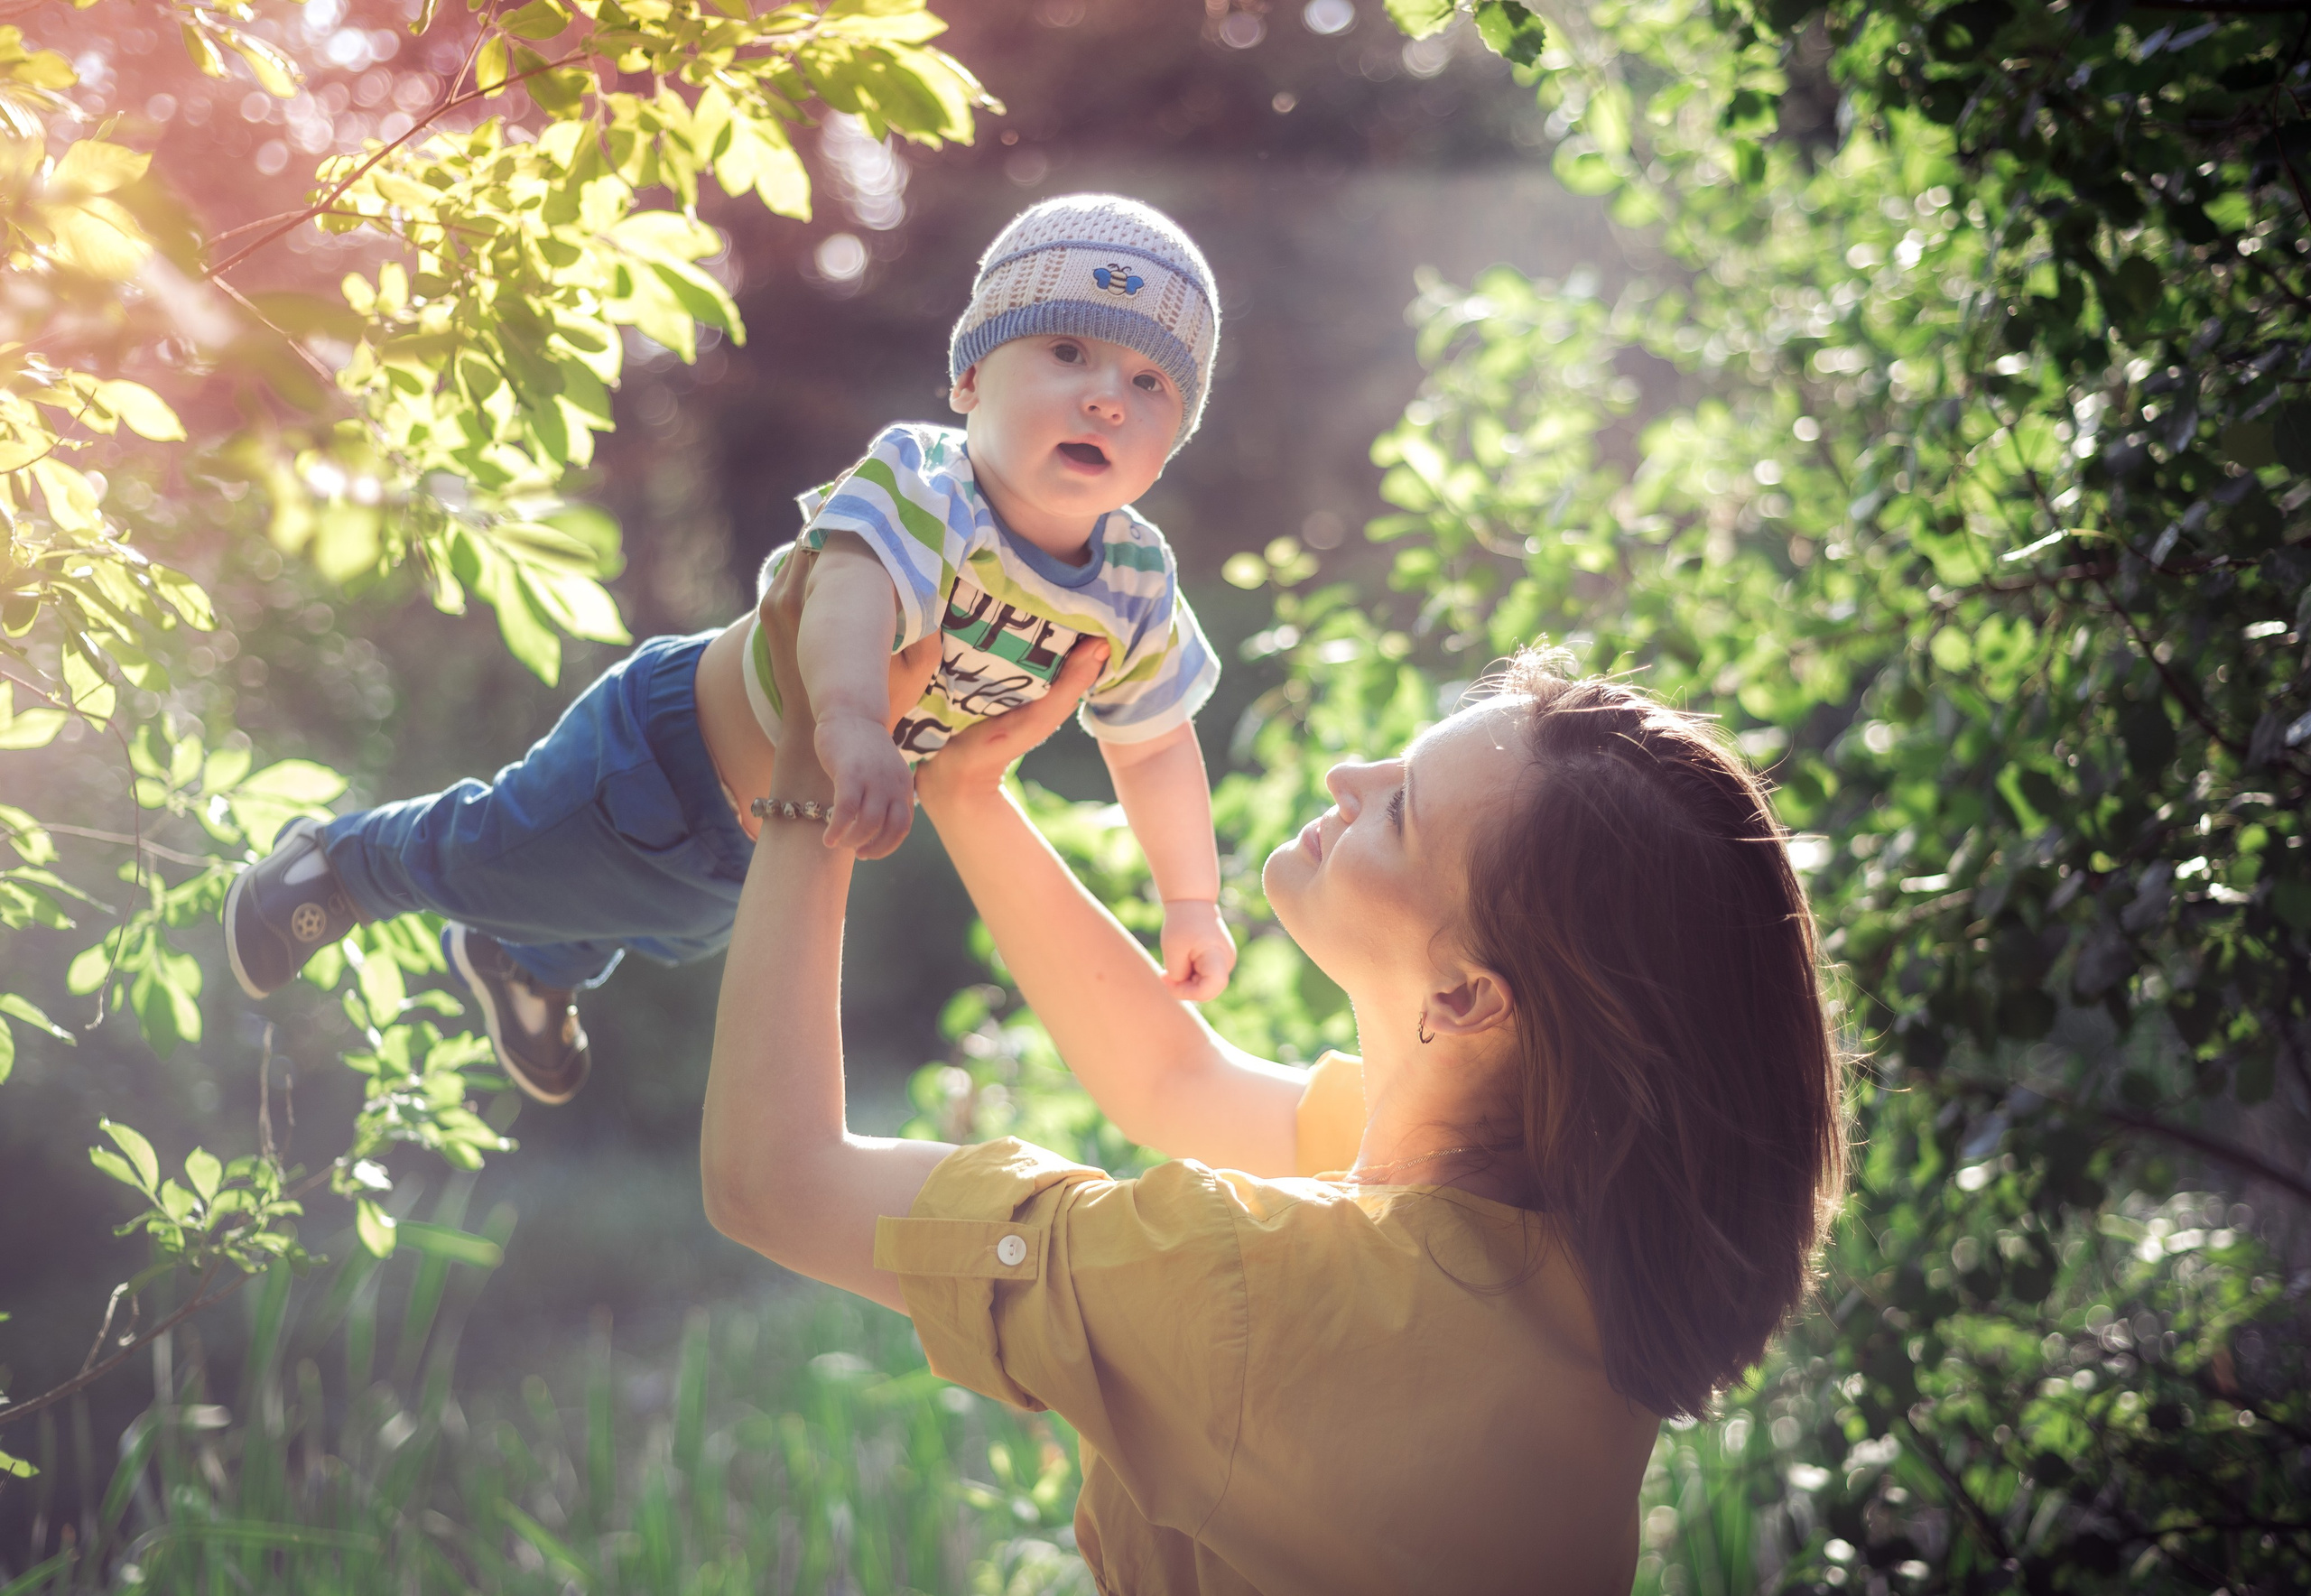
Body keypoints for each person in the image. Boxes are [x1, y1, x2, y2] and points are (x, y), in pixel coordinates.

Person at [700, 566, 1850, 1596]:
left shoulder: (1256, 1289)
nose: (1350, 775)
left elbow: (771, 1177)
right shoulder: (1552, 1235)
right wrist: (963, 790)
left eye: (1399, 808)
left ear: (1464, 996)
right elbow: (1172, 1078)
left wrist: (814, 772)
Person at [220, 195, 1235, 1103]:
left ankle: (528, 964)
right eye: (1067, 354)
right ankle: (341, 865)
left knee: (671, 922)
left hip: (759, 827)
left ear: (1175, 434)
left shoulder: (1134, 581)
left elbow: (1150, 744)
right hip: (665, 745)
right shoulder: (928, 481)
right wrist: (847, 722)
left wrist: (1189, 898)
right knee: (503, 852)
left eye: (1149, 382)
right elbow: (849, 588)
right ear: (970, 377)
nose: (1106, 395)